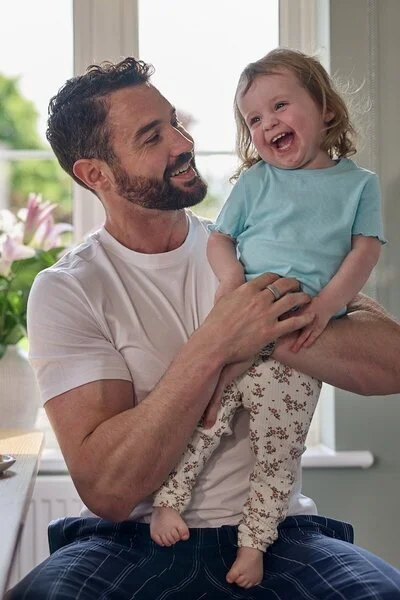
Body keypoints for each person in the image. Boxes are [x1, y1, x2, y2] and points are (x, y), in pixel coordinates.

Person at [7, 56, 400, 600]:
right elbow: (110, 490)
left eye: (174, 122)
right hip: (131, 540)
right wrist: (217, 342)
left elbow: (391, 363)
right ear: (95, 174)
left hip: (277, 535)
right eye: (153, 136)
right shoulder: (69, 289)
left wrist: (266, 329)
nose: (182, 142)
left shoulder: (253, 247)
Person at [149, 48, 385, 588]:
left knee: (279, 452)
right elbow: (220, 239)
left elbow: (364, 252)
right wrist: (232, 282)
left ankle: (253, 545)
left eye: (280, 106)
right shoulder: (255, 181)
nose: (266, 123)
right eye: (253, 118)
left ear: (326, 109)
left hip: (300, 341)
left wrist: (325, 306)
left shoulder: (358, 185)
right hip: (241, 324)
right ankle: (169, 503)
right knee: (205, 418)